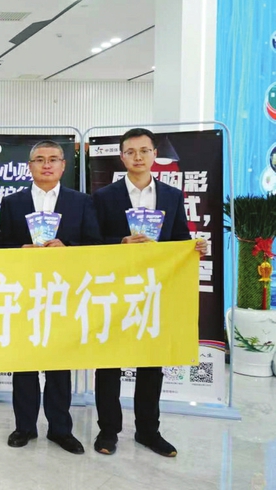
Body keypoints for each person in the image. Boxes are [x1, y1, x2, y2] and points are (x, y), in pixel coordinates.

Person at [91, 128, 208, 457]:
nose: (138, 157)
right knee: (109, 363)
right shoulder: (104, 196)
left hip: (156, 290)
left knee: (152, 363)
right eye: (131, 152)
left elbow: (179, 238)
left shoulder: (171, 196)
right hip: (115, 290)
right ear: (122, 157)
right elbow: (91, 242)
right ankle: (108, 431)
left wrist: (193, 247)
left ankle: (148, 431)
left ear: (155, 154)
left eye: (144, 150)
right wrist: (120, 242)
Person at [0, 140, 102, 455]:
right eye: (39, 159)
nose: (46, 165)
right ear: (29, 166)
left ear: (63, 165)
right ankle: (24, 427)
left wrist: (67, 248)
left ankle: (60, 429)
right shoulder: (12, 202)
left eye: (53, 159)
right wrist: (20, 249)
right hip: (24, 292)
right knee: (24, 363)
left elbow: (95, 245)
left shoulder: (81, 202)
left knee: (59, 363)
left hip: (64, 292)